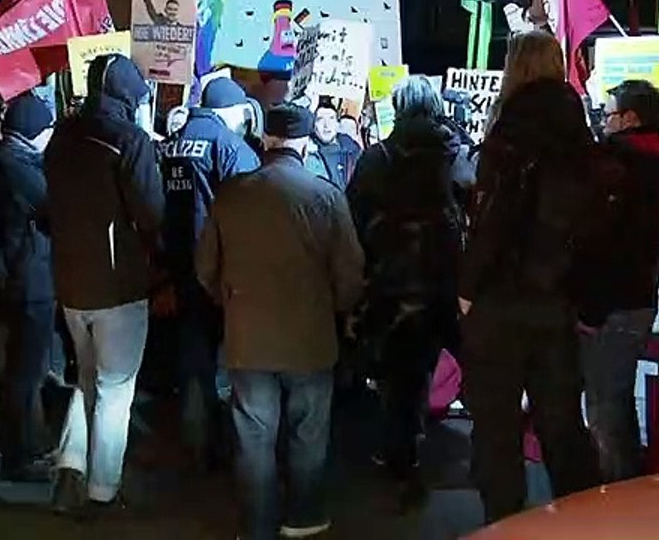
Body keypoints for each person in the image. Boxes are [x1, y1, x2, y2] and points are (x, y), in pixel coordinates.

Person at [196, 104, 364, 540]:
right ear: (305, 144)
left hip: (248, 335)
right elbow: (349, 273)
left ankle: (257, 523)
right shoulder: (326, 195)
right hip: (310, 337)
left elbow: (205, 268)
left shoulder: (231, 195)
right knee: (308, 431)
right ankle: (304, 516)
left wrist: (230, 301)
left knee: (253, 433)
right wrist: (341, 312)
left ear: (266, 140)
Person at [459, 31, 599, 523]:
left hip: (504, 298)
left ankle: (505, 525)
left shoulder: (511, 132)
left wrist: (467, 289)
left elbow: (493, 220)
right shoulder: (579, 132)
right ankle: (581, 521)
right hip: (558, 299)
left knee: (497, 428)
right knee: (562, 424)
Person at [44, 53, 164, 515]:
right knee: (116, 389)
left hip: (72, 283)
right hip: (118, 287)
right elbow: (150, 213)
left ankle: (71, 464)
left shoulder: (62, 135)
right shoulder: (128, 140)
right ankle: (103, 489)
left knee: (87, 379)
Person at [345, 77, 473, 506]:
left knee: (401, 375)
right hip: (448, 284)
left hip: (392, 283)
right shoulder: (455, 155)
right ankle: (485, 447)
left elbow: (353, 218)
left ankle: (400, 456)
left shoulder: (376, 158)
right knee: (462, 365)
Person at [159, 77, 260, 474]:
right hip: (220, 267)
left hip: (180, 263)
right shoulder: (229, 145)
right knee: (226, 362)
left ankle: (195, 443)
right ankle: (226, 447)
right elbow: (250, 206)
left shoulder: (174, 142)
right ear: (230, 111)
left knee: (193, 357)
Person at [586, 79, 659, 484]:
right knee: (619, 400)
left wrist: (588, 308)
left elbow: (605, 243)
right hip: (646, 297)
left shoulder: (615, 168)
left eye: (608, 113)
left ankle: (616, 496)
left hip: (613, 301)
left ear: (629, 119)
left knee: (605, 405)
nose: (603, 122)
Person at [0, 94, 57, 482]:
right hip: (30, 278)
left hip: (20, 275)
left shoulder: (5, 159)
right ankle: (20, 455)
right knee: (25, 372)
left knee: (22, 368)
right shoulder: (19, 168)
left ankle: (22, 446)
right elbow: (53, 209)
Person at [305, 101, 362, 192]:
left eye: (331, 118)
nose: (326, 125)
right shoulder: (309, 155)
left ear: (337, 123)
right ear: (313, 125)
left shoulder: (353, 149)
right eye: (320, 119)